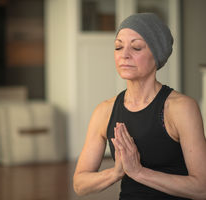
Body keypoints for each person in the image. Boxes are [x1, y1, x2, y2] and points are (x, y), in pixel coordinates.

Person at [73, 13, 206, 200]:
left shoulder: (181, 108)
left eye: (136, 47)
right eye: (118, 47)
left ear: (157, 54)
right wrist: (116, 173)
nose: (124, 55)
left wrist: (139, 172)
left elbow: (202, 188)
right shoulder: (104, 111)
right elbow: (80, 184)